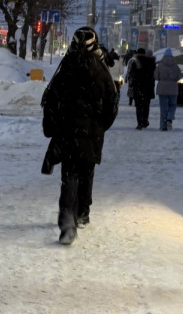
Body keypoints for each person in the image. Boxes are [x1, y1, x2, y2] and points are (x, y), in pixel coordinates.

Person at [41, 27, 118, 245]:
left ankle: (67, 222)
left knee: (70, 176)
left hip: (67, 132)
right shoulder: (101, 70)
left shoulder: (65, 68)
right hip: (91, 133)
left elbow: (51, 102)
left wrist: (53, 127)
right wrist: (101, 125)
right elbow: (112, 103)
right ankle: (83, 212)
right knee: (87, 172)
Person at [127, 48, 156, 129]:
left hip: (138, 87)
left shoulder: (135, 62)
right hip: (148, 87)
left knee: (138, 106)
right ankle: (145, 121)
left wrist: (132, 84)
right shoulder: (150, 62)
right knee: (146, 106)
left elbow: (132, 75)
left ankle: (139, 123)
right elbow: (153, 75)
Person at [154, 48, 181, 131]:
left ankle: (163, 126)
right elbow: (179, 76)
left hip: (162, 88)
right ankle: (170, 117)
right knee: (172, 105)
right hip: (173, 88)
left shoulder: (160, 65)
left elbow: (155, 76)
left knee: (163, 107)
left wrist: (162, 80)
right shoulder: (175, 66)